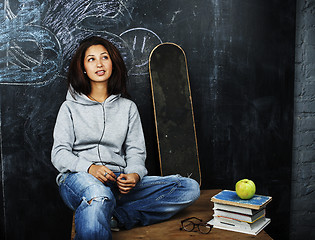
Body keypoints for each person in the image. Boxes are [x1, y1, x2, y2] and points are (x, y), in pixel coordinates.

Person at [51, 36, 200, 240]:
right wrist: (90, 168)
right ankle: (103, 204)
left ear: (113, 63)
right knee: (97, 194)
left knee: (188, 188)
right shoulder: (69, 108)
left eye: (104, 57)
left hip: (117, 180)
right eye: (91, 59)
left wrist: (134, 175)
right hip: (80, 179)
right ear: (83, 68)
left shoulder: (127, 108)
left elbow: (136, 152)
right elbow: (59, 154)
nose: (99, 64)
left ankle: (117, 217)